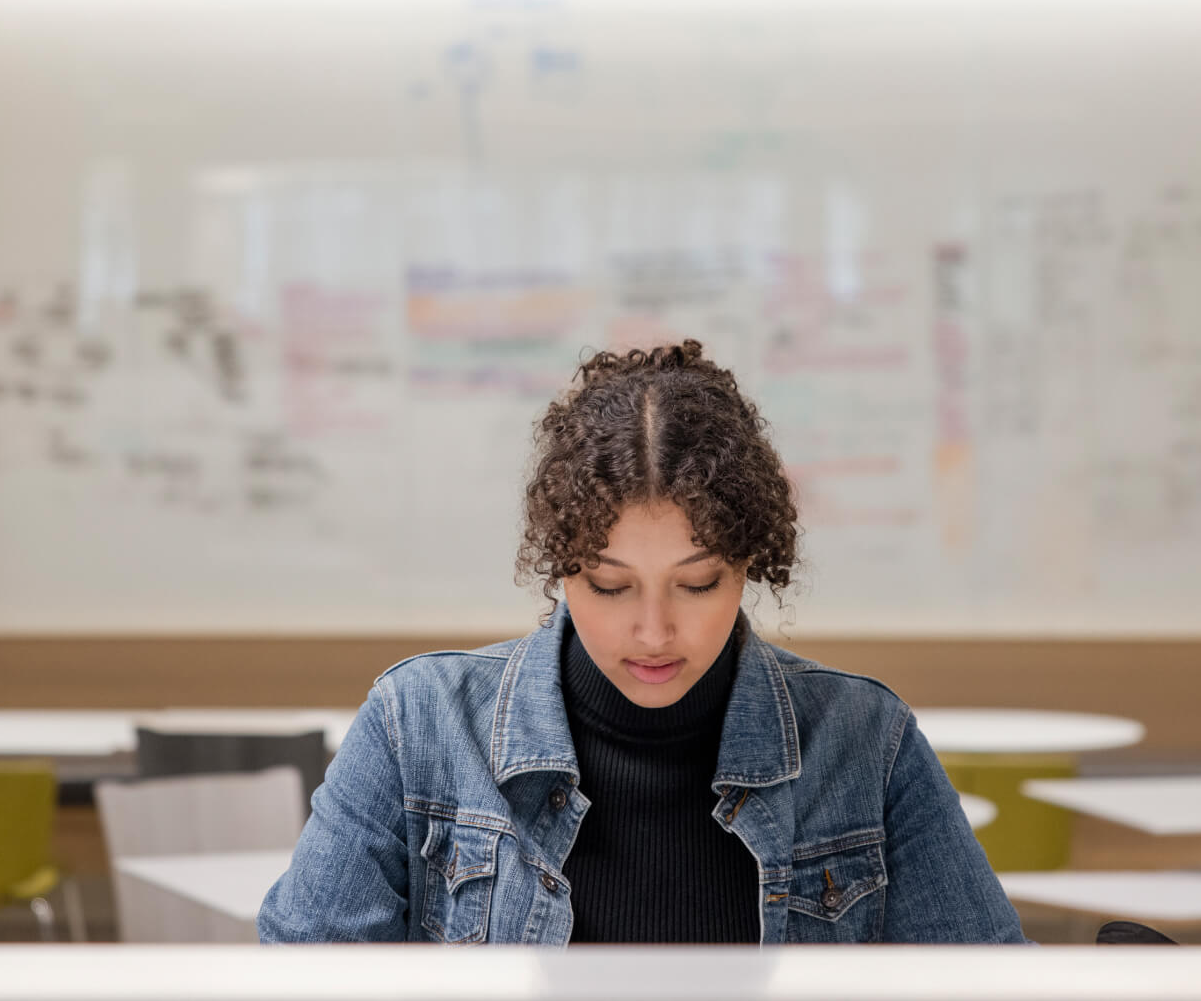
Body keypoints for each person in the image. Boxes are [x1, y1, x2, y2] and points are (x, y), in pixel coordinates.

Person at [258, 340, 1025, 944]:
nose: (654, 632)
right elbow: (302, 981)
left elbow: (987, 986)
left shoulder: (866, 742)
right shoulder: (416, 723)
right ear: (558, 569)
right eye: (610, 586)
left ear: (749, 565)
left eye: (697, 585)